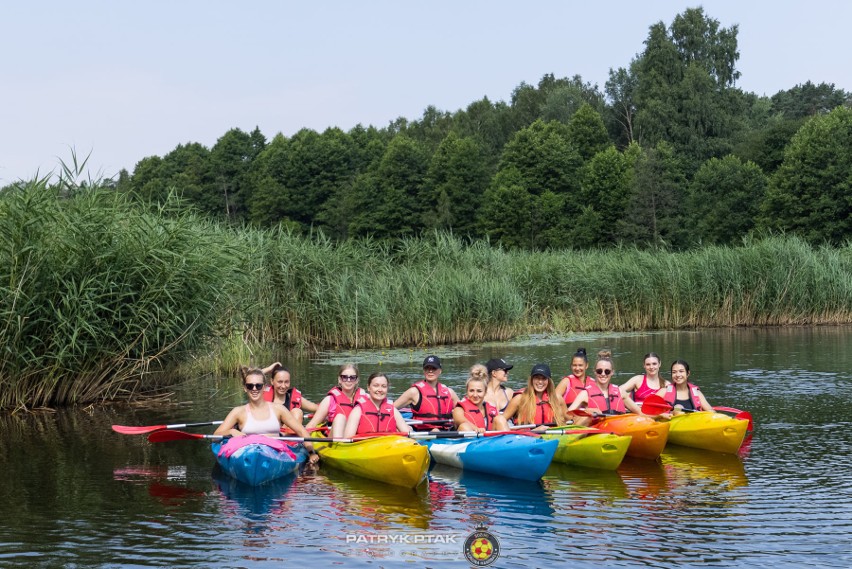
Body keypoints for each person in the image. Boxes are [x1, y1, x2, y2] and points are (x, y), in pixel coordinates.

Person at [213, 366, 318, 464]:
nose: (254, 389)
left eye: (258, 386)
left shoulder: (278, 409)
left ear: (264, 387)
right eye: (250, 386)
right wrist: (231, 431)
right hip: (248, 454)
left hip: (274, 454)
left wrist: (311, 452)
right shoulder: (237, 412)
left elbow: (301, 431)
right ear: (245, 388)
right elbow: (215, 436)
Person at [393, 355, 459, 431]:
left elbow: (463, 411)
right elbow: (391, 409)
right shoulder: (414, 392)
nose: (430, 371)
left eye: (434, 368)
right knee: (435, 430)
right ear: (424, 371)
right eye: (427, 368)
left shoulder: (450, 392)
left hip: (446, 429)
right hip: (423, 430)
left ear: (440, 371)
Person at [568, 351, 642, 416]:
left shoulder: (620, 392)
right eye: (599, 371)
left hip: (619, 427)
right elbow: (567, 415)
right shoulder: (584, 394)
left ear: (612, 372)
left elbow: (640, 413)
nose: (603, 374)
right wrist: (586, 412)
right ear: (595, 371)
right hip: (598, 429)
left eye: (607, 371)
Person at [305, 363, 367, 437]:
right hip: (333, 440)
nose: (348, 380)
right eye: (344, 377)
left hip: (358, 439)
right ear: (339, 380)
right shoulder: (329, 400)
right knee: (340, 418)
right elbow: (312, 424)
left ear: (357, 380)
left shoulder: (365, 398)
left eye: (352, 377)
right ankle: (340, 444)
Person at [502, 363, 569, 431]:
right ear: (531, 380)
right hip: (526, 438)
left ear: (548, 381)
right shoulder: (519, 399)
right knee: (498, 419)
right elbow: (501, 421)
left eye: (544, 378)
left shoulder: (557, 399)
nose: (540, 382)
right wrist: (534, 431)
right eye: (537, 378)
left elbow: (569, 420)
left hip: (552, 437)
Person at [343, 372, 412, 437]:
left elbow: (407, 433)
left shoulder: (392, 410)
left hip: (388, 446)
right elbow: (347, 439)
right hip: (365, 446)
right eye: (376, 386)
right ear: (368, 388)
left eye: (384, 386)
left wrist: (409, 430)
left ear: (387, 388)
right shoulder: (358, 410)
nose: (380, 389)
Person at [454, 364, 510, 434]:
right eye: (471, 391)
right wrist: (476, 429)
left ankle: (509, 441)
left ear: (485, 392)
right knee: (464, 426)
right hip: (470, 441)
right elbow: (461, 420)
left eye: (479, 391)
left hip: (490, 441)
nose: (475, 395)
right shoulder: (459, 409)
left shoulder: (491, 408)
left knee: (500, 418)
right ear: (467, 391)